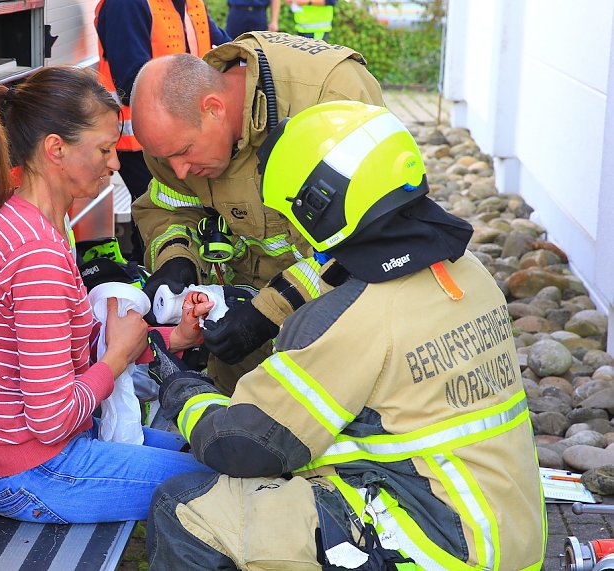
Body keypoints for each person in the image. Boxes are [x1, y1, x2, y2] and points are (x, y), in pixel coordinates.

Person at [143, 101, 545, 570]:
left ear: (320, 203)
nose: (296, 228)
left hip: (436, 546)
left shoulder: (355, 316)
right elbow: (333, 275)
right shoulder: (467, 272)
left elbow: (246, 444)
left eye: (295, 211)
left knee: (185, 507)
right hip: (508, 537)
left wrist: (180, 388)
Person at [0, 66, 217, 524]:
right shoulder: (36, 255)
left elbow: (72, 341)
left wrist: (172, 340)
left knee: (215, 453)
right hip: (32, 472)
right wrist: (115, 360)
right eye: (105, 150)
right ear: (56, 150)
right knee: (221, 483)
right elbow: (52, 419)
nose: (115, 163)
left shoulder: (18, 217)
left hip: (17, 459)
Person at [130, 32, 384, 394]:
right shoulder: (176, 139)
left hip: (340, 335)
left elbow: (364, 243)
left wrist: (269, 311)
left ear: (214, 108)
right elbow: (167, 206)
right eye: (165, 158)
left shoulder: (331, 97)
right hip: (240, 340)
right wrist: (176, 259)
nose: (179, 170)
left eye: (184, 151)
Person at [94, 0, 230, 262]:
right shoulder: (127, 5)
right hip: (143, 142)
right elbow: (131, 80)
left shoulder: (190, 3)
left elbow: (226, 50)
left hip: (181, 138)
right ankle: (153, 275)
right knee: (158, 213)